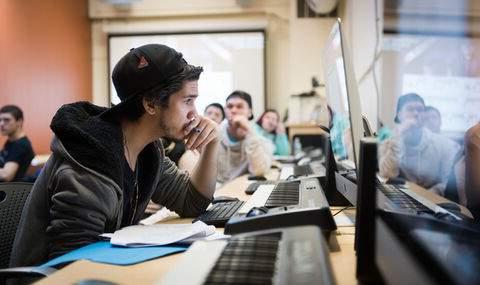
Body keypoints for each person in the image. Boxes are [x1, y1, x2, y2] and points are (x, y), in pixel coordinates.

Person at [11, 44, 220, 267]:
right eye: (187, 101)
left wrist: (211, 144)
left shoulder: (147, 151)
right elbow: (70, 266)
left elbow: (191, 202)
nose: (194, 114)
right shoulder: (89, 164)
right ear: (150, 103)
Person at [379, 93, 460, 195]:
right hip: (401, 196)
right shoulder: (391, 139)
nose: (416, 113)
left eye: (420, 109)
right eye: (410, 109)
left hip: (434, 200)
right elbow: (387, 174)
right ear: (399, 115)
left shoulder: (444, 145)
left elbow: (447, 184)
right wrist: (398, 135)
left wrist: (424, 196)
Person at [217, 90, 273, 184]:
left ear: (250, 112)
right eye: (229, 106)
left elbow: (259, 171)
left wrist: (249, 130)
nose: (234, 110)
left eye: (239, 106)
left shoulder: (260, 141)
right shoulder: (215, 137)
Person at [0, 105, 35, 182]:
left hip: (8, 192)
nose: (1, 124)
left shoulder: (21, 145)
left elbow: (6, 175)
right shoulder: (10, 141)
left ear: (19, 121)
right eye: (0, 120)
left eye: (6, 120)